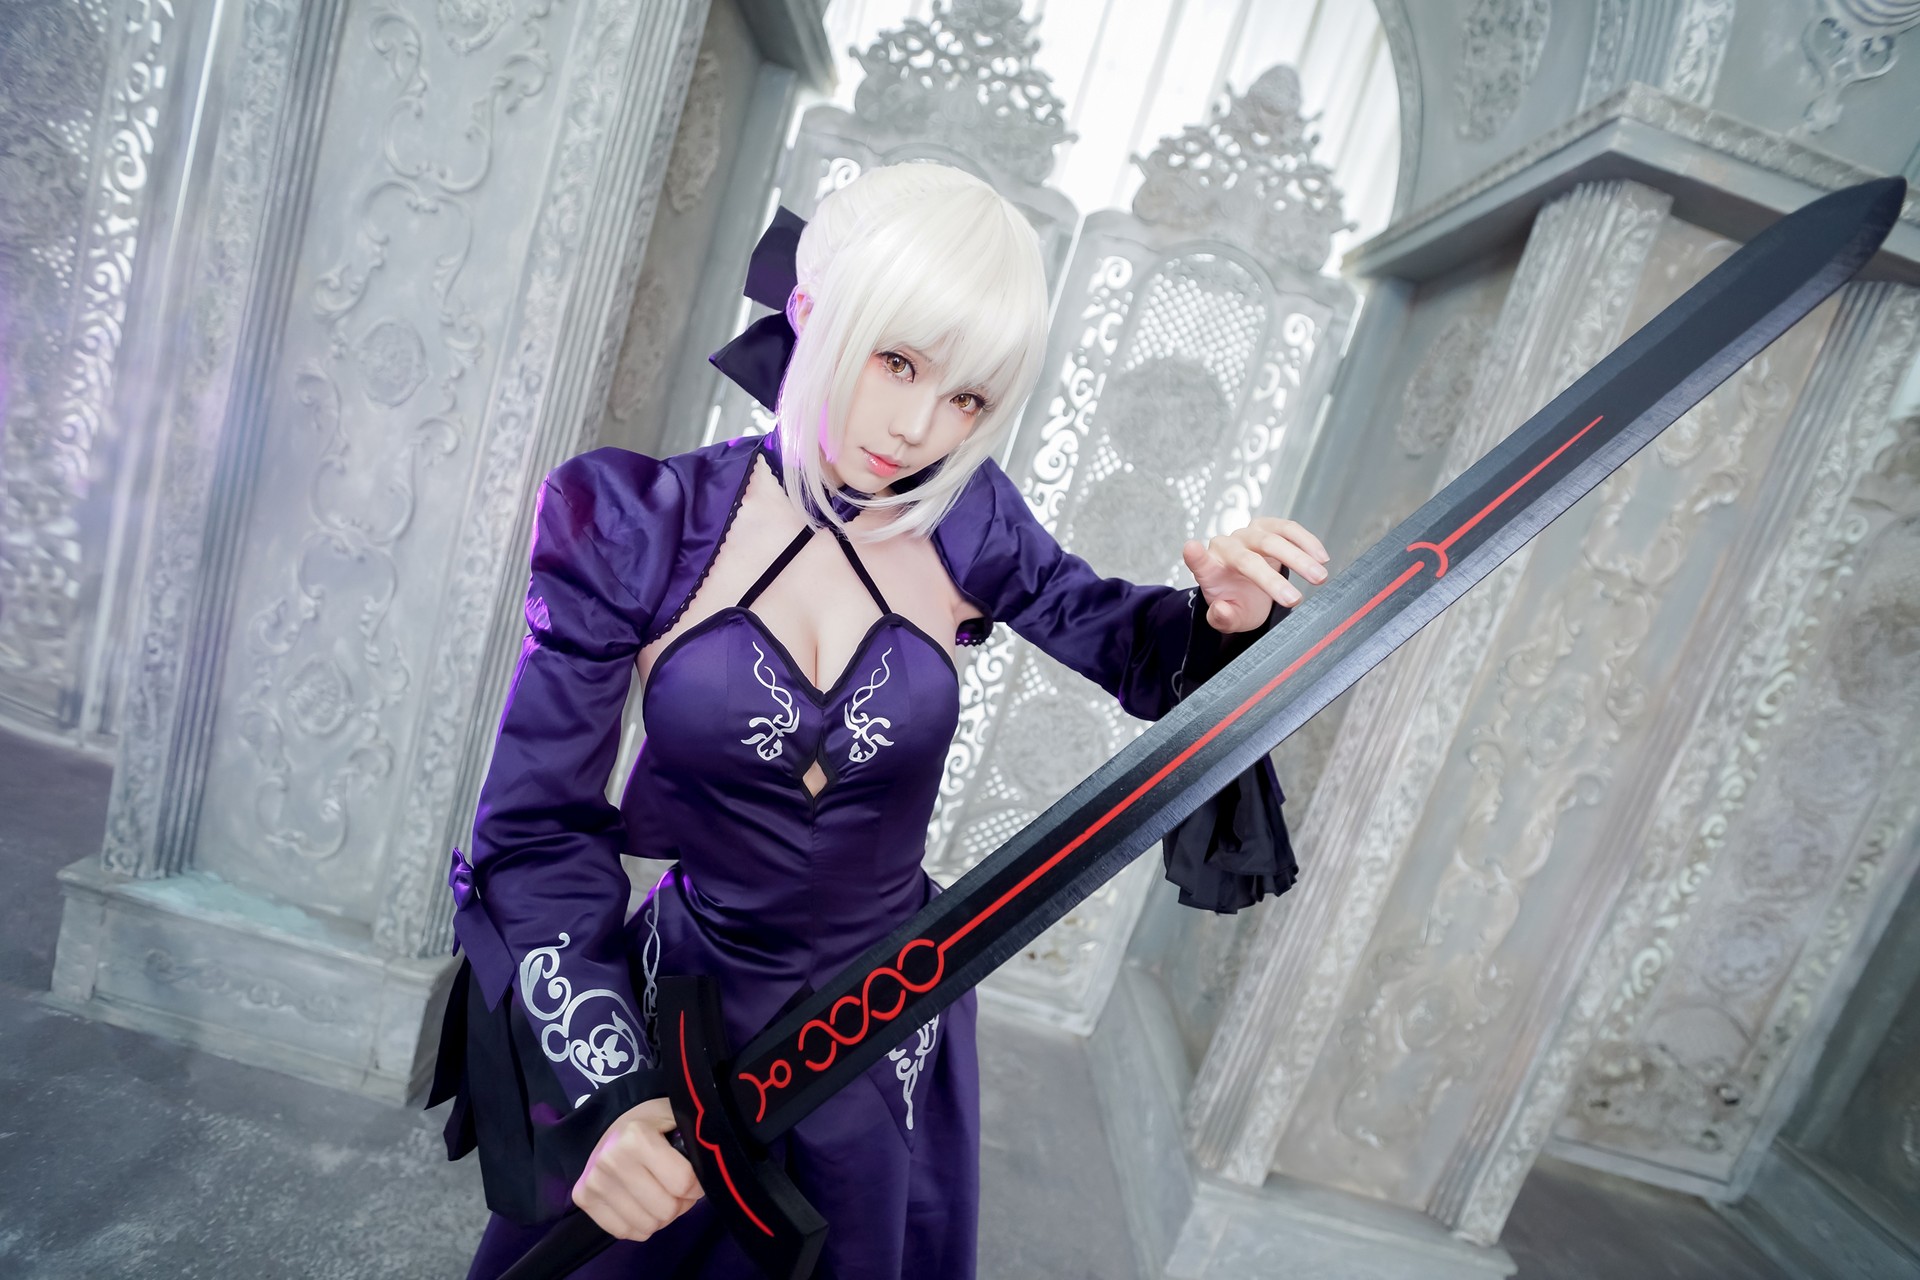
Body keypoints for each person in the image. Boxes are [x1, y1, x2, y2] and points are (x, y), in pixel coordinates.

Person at [428, 161, 1324, 1280]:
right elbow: (535, 830)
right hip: (679, 1017)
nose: (917, 428)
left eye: (968, 400)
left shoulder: (970, 523)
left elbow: (1131, 643)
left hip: (889, 1013)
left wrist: (1220, 619)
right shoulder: (641, 525)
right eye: (897, 361)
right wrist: (608, 1088)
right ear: (810, 311)